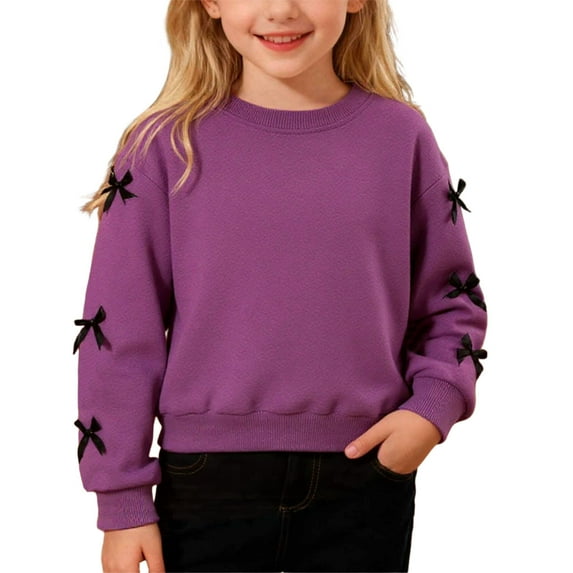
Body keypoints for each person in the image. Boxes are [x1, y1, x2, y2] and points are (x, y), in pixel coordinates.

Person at [73, 0, 488, 571]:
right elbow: (117, 330)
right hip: (205, 482)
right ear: (211, 3)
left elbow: (452, 298)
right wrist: (121, 500)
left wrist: (434, 406)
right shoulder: (163, 146)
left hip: (366, 472)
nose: (281, 9)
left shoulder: (401, 137)